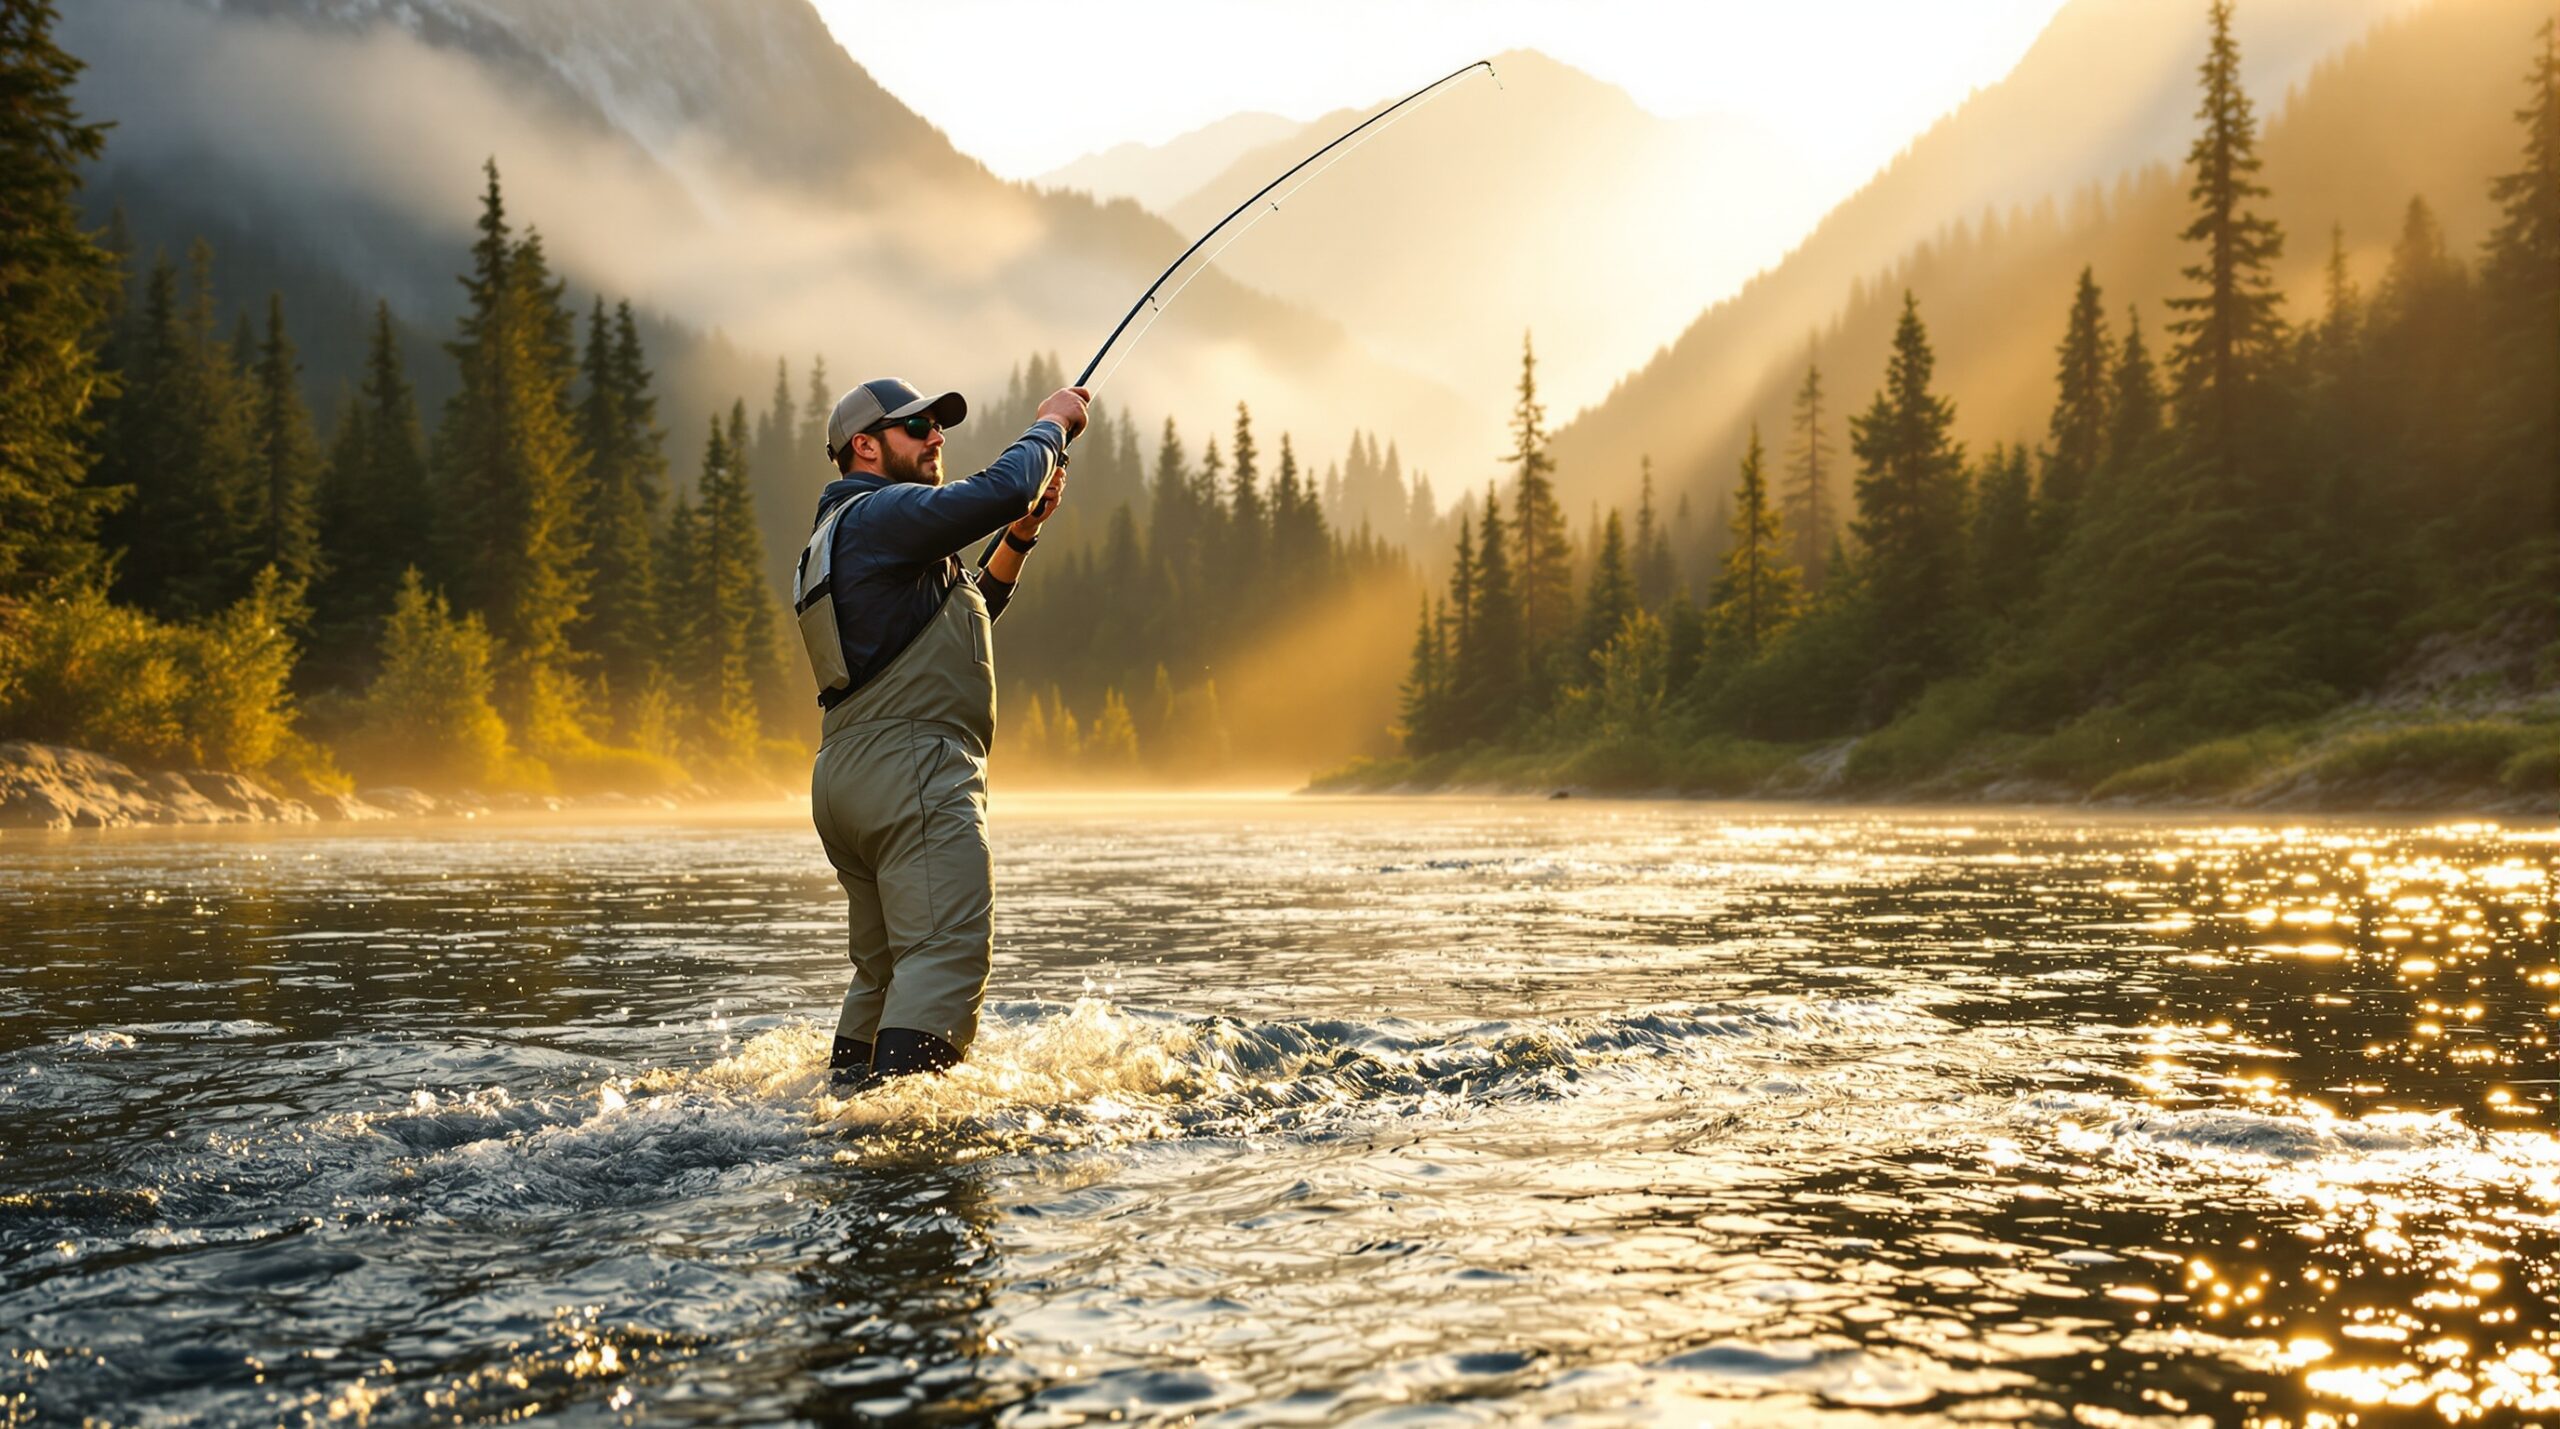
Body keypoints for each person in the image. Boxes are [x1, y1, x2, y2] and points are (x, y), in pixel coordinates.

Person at [792, 376, 1089, 1090]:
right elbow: (999, 488)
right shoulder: (881, 513)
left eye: (937, 426)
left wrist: (1022, 534)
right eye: (916, 427)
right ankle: (904, 1156)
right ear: (865, 446)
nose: (936, 438)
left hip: (851, 774)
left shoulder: (838, 536)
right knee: (946, 954)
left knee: (888, 968)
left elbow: (961, 615)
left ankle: (846, 1108)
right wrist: (1051, 426)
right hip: (912, 771)